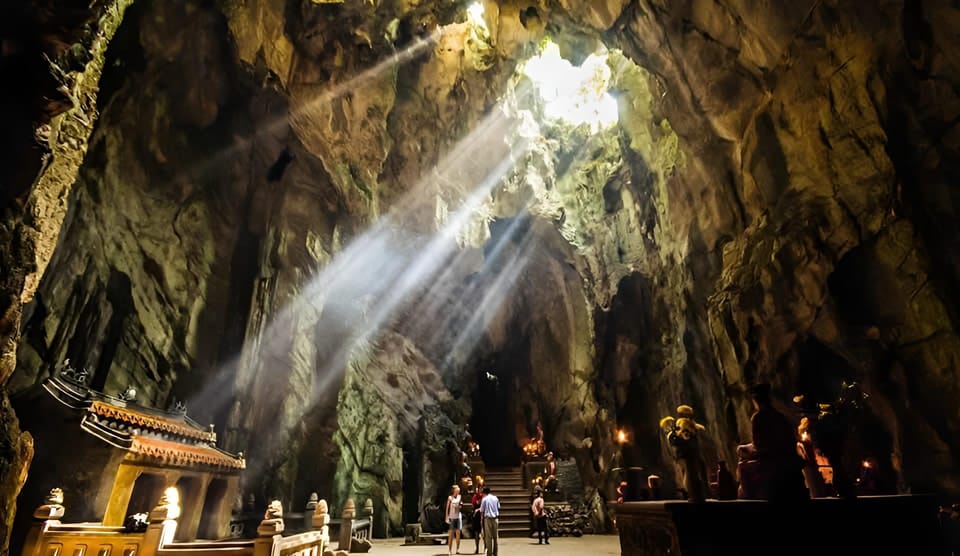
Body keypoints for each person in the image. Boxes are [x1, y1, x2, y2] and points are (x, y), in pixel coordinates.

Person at [737, 383, 807, 501]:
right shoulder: (780, 416)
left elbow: (759, 446)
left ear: (756, 401)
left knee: (741, 457)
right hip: (786, 456)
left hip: (771, 458)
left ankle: (748, 497)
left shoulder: (758, 417)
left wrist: (747, 450)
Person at [479, 486, 500, 556]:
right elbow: (498, 507)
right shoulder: (495, 498)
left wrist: (481, 521)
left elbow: (482, 511)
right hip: (496, 518)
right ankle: (495, 553)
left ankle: (489, 553)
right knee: (495, 537)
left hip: (487, 518)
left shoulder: (484, 499)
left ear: (484, 493)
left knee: (488, 537)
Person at [446, 484, 463, 554]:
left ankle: (457, 549)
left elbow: (461, 505)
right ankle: (449, 550)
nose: (458, 491)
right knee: (451, 534)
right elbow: (447, 507)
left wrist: (459, 506)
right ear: (454, 490)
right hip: (452, 517)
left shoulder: (460, 497)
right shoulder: (450, 497)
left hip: (458, 516)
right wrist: (446, 516)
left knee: (458, 533)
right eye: (457, 489)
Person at [471, 487, 485, 554]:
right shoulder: (475, 497)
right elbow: (474, 504)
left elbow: (484, 506)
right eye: (478, 490)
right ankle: (477, 548)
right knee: (476, 533)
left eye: (480, 490)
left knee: (484, 533)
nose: (479, 491)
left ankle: (485, 547)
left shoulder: (484, 497)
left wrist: (479, 509)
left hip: (483, 515)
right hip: (476, 517)